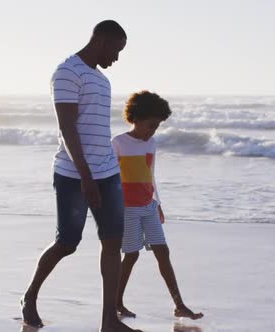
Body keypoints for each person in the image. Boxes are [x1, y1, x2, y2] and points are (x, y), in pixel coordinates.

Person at [20, 20, 142, 332]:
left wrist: (106, 172)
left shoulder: (102, 81)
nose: (116, 58)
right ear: (101, 40)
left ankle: (108, 322)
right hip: (74, 174)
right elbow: (67, 127)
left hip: (107, 172)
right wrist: (86, 177)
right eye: (116, 50)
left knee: (113, 242)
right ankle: (30, 297)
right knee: (68, 242)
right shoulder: (67, 72)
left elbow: (98, 131)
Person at [111, 91, 204, 320]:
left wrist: (158, 203)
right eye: (150, 125)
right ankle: (117, 302)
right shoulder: (118, 143)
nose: (152, 131)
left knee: (163, 252)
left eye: (157, 127)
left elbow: (151, 176)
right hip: (128, 209)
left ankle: (179, 305)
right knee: (131, 255)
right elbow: (110, 179)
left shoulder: (150, 144)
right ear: (135, 118)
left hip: (148, 206)